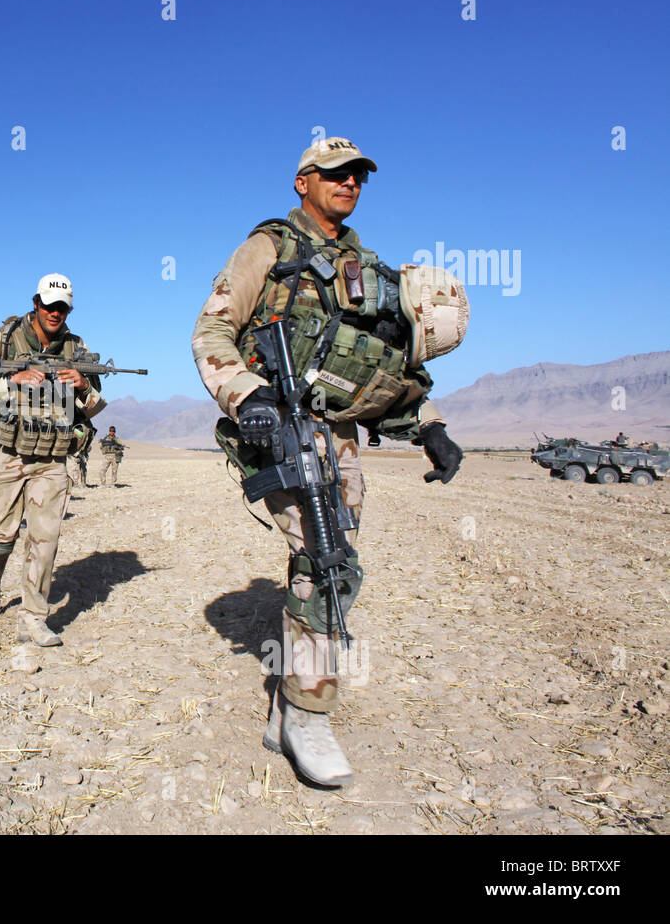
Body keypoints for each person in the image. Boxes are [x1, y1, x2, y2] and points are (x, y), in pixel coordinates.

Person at [191, 136, 469, 786]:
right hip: (278, 429)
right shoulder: (270, 248)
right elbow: (210, 333)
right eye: (336, 174)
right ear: (303, 182)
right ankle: (306, 716)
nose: (349, 184)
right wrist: (247, 395)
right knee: (326, 565)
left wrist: (429, 428)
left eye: (358, 177)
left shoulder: (366, 267)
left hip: (340, 445)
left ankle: (284, 707)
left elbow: (375, 371)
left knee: (322, 565)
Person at [0, 274, 106, 646]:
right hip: (7, 452)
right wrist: (13, 382)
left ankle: (34, 616)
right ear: (36, 304)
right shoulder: (5, 340)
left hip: (51, 459)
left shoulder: (77, 348)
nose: (55, 313)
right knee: (0, 537)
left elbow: (93, 409)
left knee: (45, 540)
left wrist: (83, 386)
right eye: (49, 305)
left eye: (62, 307)